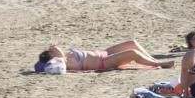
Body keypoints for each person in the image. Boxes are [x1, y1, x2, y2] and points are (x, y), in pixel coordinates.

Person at [38, 41, 173, 71]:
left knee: (132, 43)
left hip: (105, 52)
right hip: (104, 61)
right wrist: (54, 50)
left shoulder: (65, 57)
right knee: (133, 54)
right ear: (51, 55)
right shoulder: (62, 63)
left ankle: (153, 60)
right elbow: (56, 50)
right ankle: (158, 64)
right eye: (51, 50)